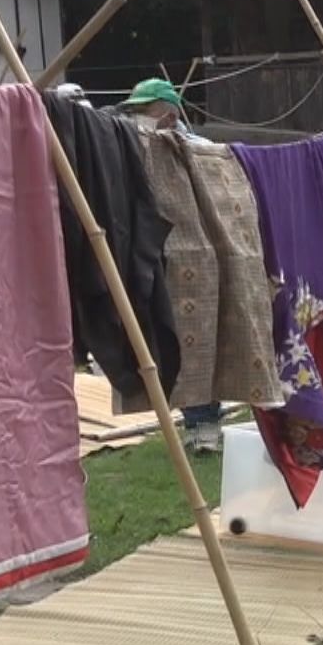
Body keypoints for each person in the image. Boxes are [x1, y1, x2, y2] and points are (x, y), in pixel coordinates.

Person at [114, 76, 225, 449]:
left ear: (168, 113)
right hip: (159, 254)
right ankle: (197, 424)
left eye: (144, 110)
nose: (138, 118)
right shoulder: (138, 149)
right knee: (173, 340)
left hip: (201, 253)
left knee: (201, 340)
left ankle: (205, 428)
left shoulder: (202, 150)